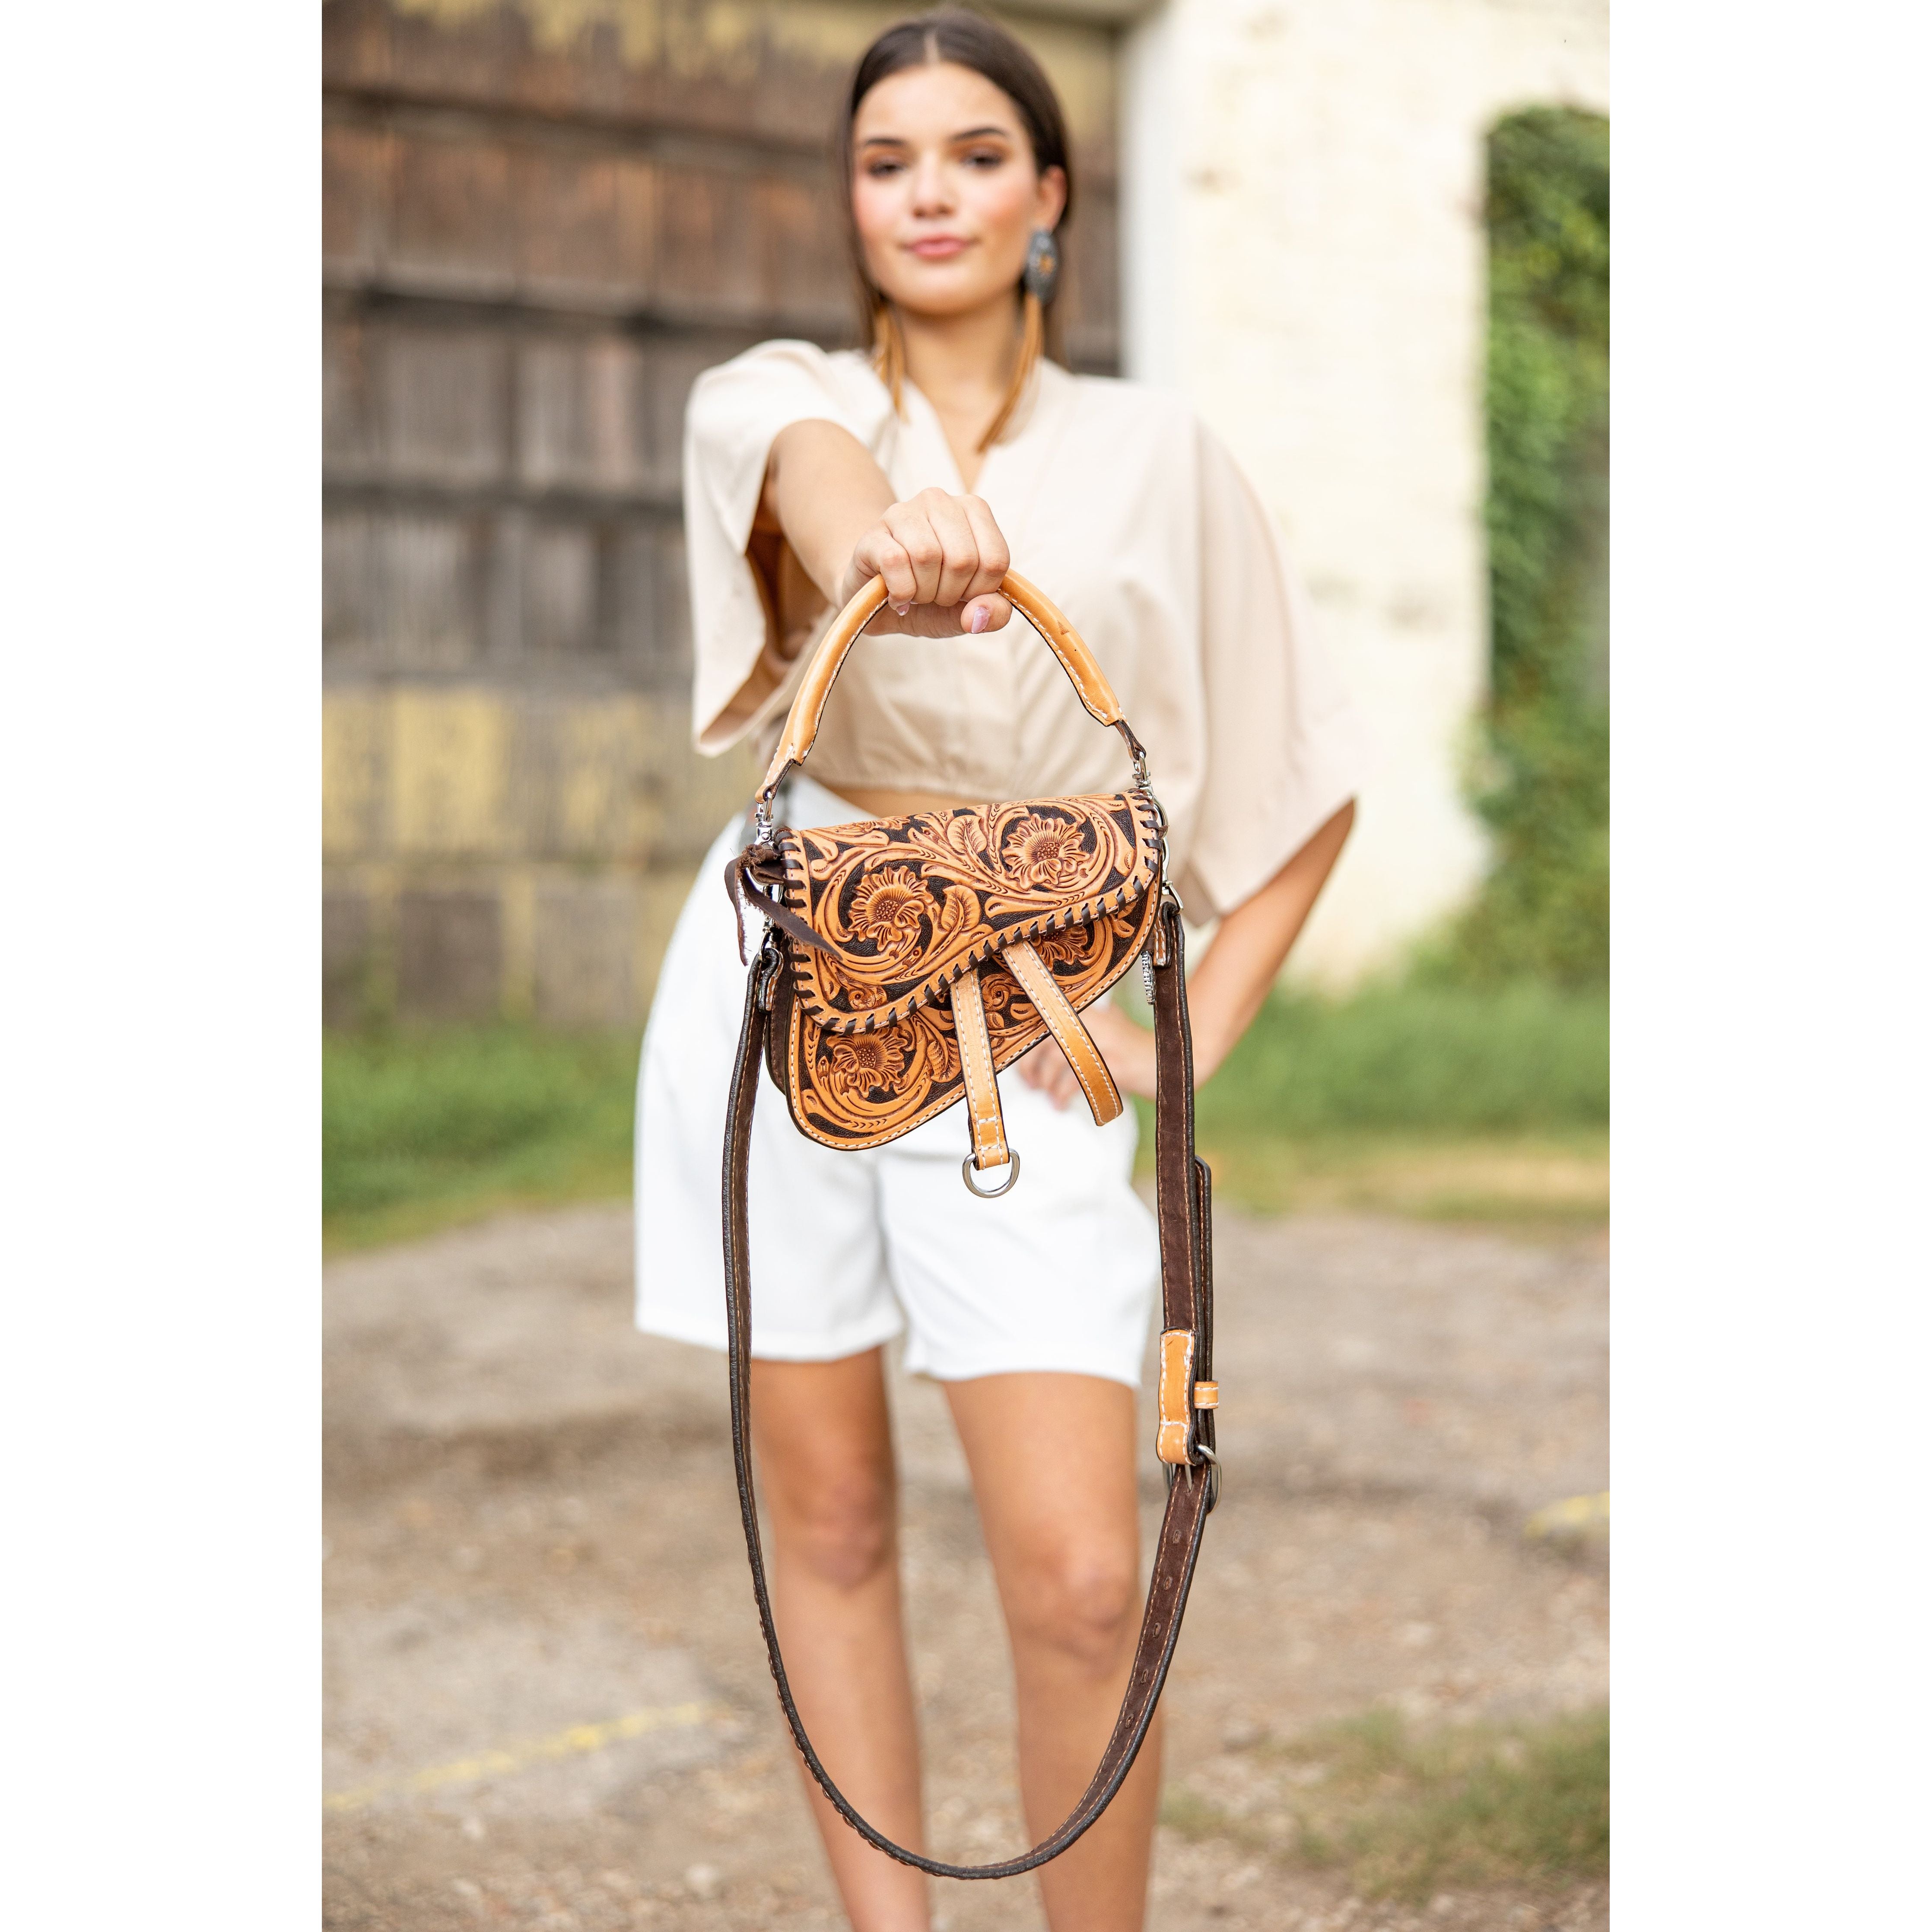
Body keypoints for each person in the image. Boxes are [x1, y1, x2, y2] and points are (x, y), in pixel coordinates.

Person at [634, 12, 1366, 1929]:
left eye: (974, 156)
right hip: (795, 976)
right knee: (829, 1515)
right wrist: (897, 535)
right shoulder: (782, 395)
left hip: (1032, 1018)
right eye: (886, 162)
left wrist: (1171, 1033)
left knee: (1082, 1576)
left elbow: (1302, 789)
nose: (928, 195)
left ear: (1051, 196)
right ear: (849, 198)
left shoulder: (1156, 450)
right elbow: (813, 488)